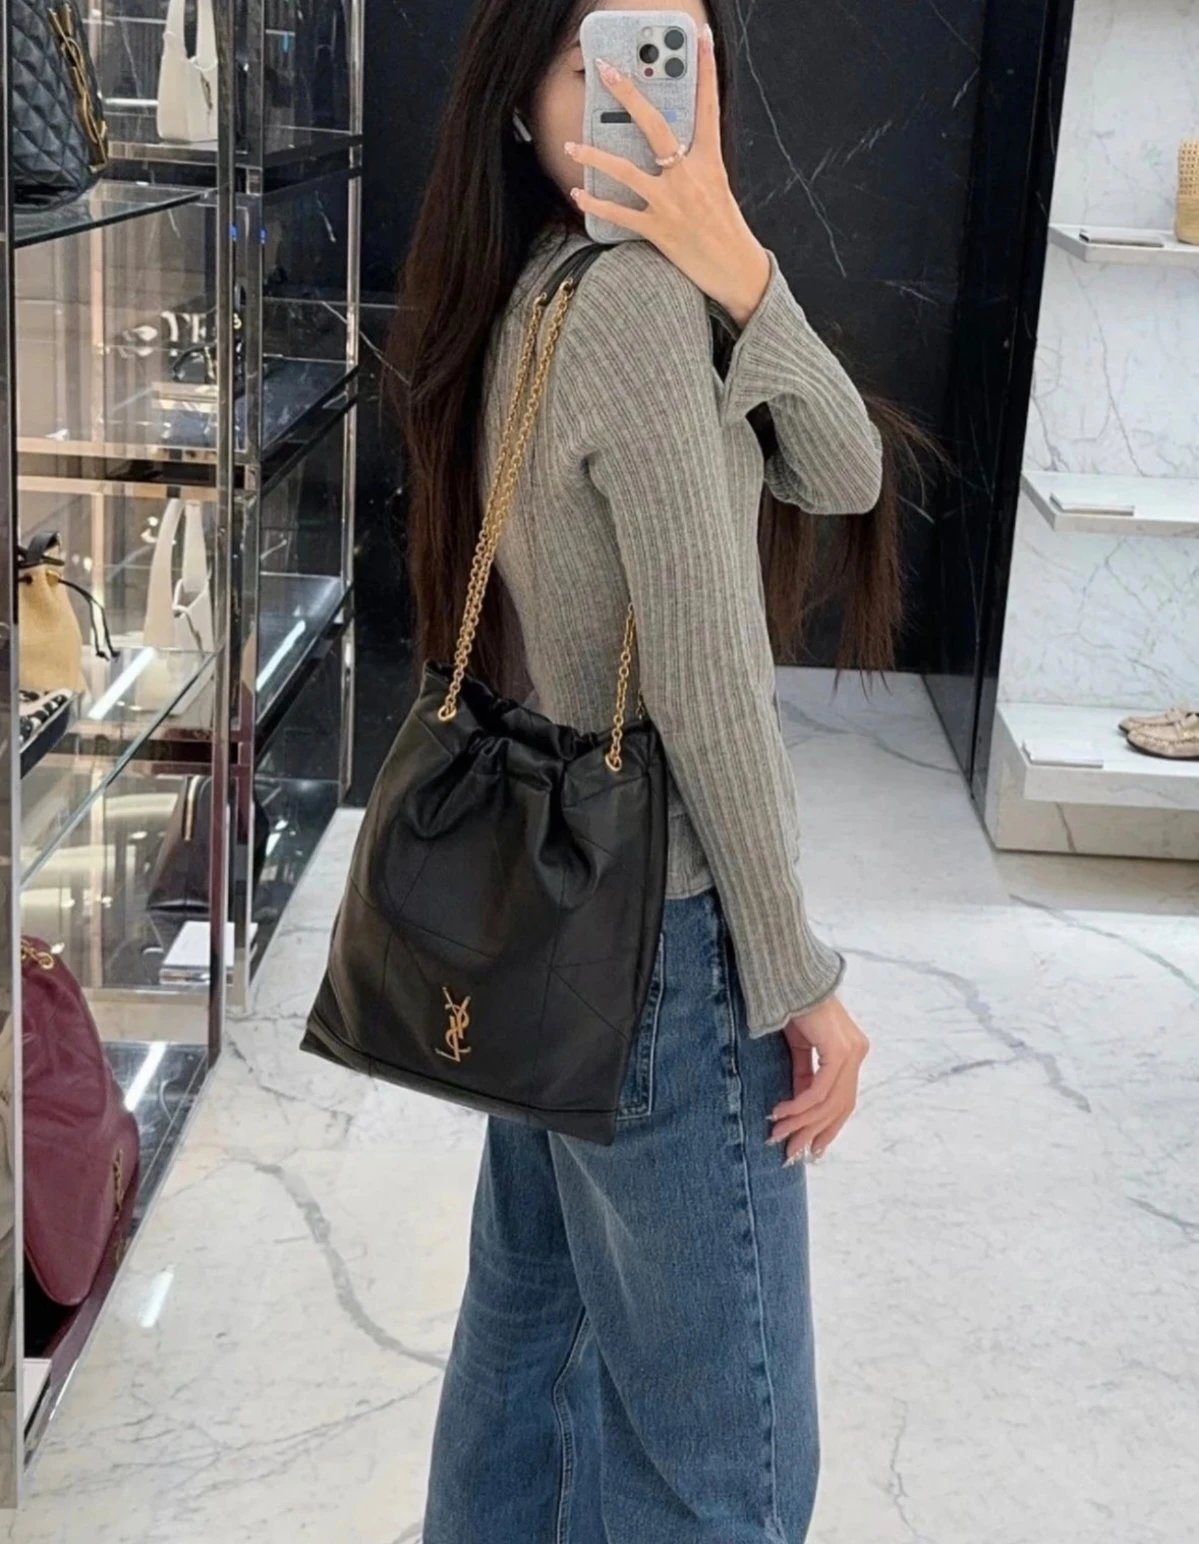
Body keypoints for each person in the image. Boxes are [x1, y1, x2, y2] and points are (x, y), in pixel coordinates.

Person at [391, 2, 918, 1538]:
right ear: (523, 106)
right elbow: (706, 679)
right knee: (724, 1471)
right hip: (663, 939)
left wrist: (739, 259)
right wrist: (795, 973)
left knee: (534, 1355)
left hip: (562, 912)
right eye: (601, 64)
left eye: (676, 57)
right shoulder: (625, 304)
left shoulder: (561, 281)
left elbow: (845, 469)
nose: (646, 93)